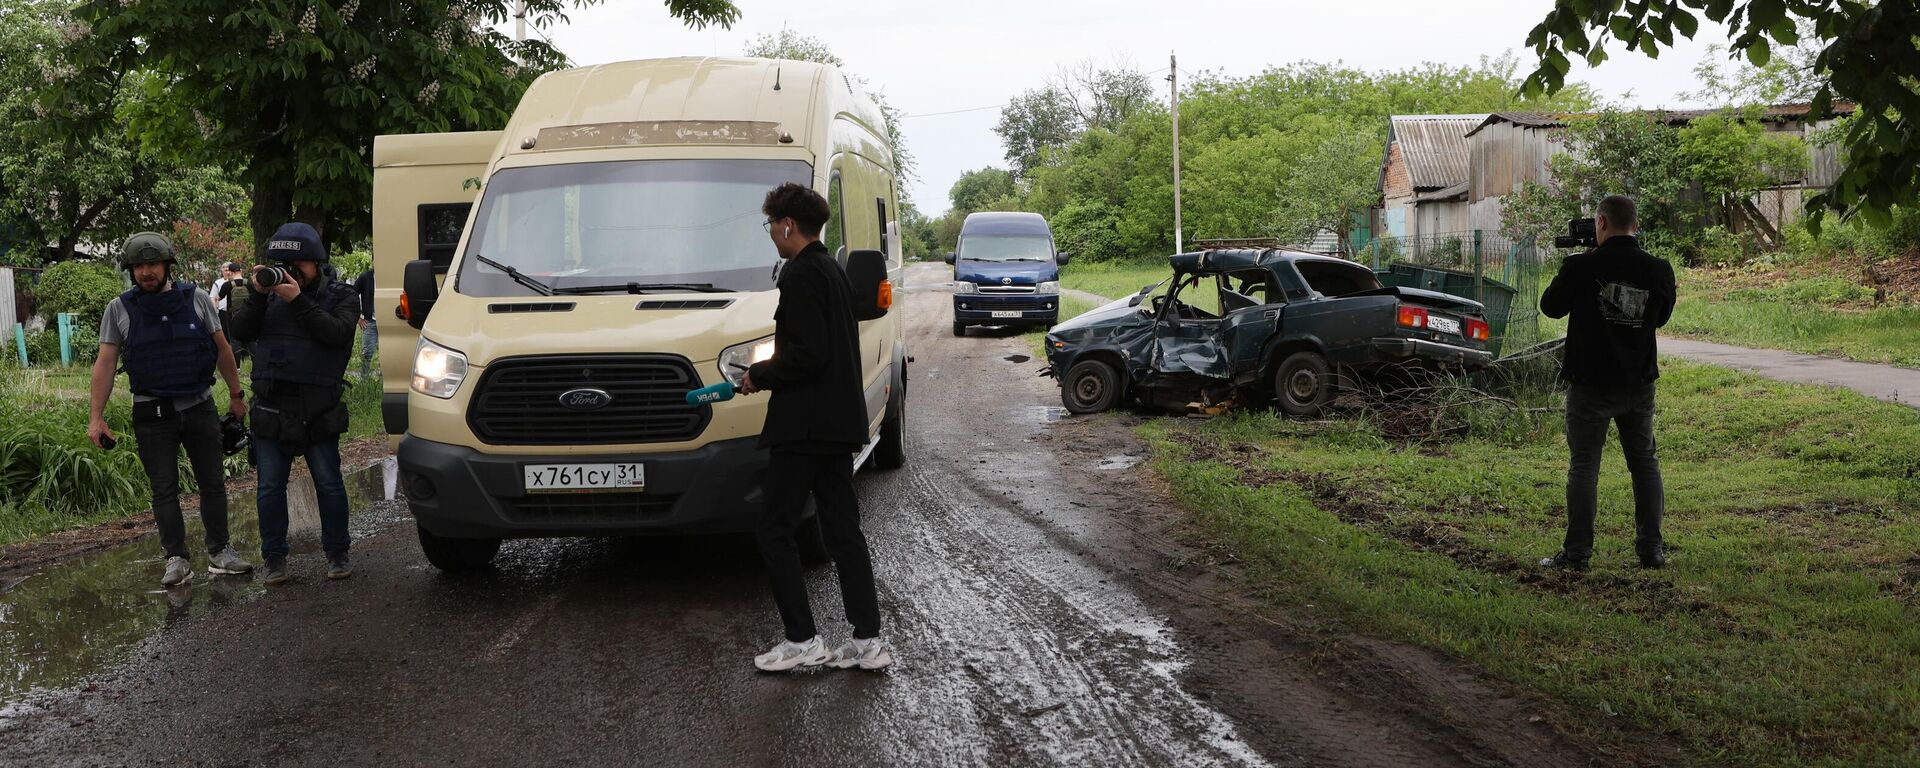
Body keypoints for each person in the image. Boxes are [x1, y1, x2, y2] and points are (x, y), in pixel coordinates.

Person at [739, 182, 891, 672]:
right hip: (836, 424)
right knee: (843, 531)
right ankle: (867, 641)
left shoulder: (802, 275)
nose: (771, 234)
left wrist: (758, 375)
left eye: (771, 225)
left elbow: (806, 355)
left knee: (774, 529)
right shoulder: (833, 271)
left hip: (803, 427)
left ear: (788, 224)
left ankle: (802, 640)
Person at [87, 232, 253, 587]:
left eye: (153, 264)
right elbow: (104, 363)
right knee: (164, 489)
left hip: (199, 406)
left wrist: (236, 395)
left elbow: (222, 349)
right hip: (152, 413)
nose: (146, 272)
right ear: (131, 271)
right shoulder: (119, 309)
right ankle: (176, 559)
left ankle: (220, 552)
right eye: (139, 266)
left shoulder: (195, 299)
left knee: (212, 483)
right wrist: (95, 418)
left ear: (167, 266)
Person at [1538, 195, 1677, 571]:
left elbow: (1550, 306)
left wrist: (1577, 268)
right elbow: (1660, 317)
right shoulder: (1659, 268)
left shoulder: (1580, 267)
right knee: (1645, 463)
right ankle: (1651, 549)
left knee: (1584, 466)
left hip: (1590, 385)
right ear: (1636, 223)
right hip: (1638, 383)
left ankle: (1578, 553)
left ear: (1600, 223)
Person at [229, 222, 361, 584]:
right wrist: (257, 295)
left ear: (316, 263)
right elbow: (239, 333)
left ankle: (337, 552)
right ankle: (274, 559)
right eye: (283, 264)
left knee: (329, 482)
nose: (290, 272)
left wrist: (297, 301)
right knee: (270, 486)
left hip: (319, 409)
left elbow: (335, 334)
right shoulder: (266, 297)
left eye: (298, 264)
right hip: (272, 407)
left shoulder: (344, 296)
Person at [211, 261, 247, 362]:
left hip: (232, 315)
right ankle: (255, 363)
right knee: (251, 340)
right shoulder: (249, 283)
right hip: (248, 314)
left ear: (230, 272)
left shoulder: (227, 285)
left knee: (234, 341)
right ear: (241, 271)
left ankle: (237, 365)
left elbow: (217, 298)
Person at [352, 266, 377, 378]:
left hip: (388, 321)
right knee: (367, 353)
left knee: (388, 353)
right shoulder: (366, 277)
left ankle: (384, 381)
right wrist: (357, 317)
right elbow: (351, 294)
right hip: (370, 321)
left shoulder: (390, 277)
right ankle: (364, 380)